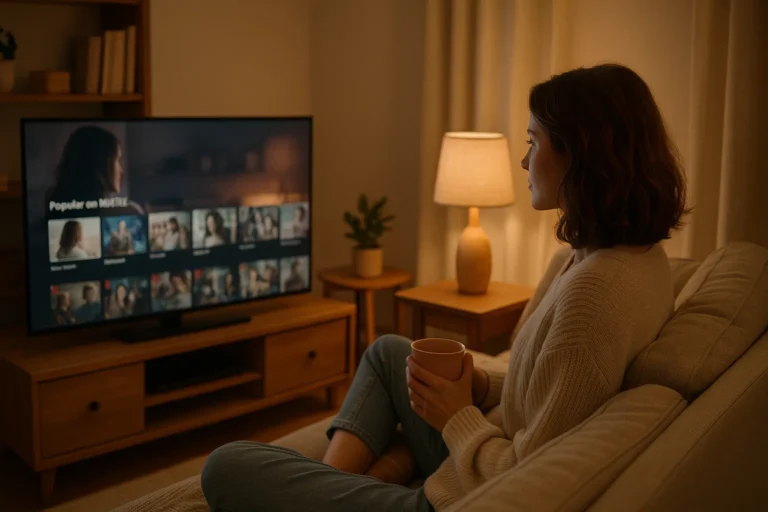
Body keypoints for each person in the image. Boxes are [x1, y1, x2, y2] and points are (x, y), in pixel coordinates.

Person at [200, 63, 689, 512]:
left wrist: (457, 415)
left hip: (463, 497)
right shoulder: (627, 258)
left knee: (224, 465)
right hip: (479, 454)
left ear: (580, 157)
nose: (523, 161)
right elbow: (550, 388)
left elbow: (524, 477)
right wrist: (479, 384)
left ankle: (326, 490)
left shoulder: (595, 295)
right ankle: (326, 485)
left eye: (533, 142)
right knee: (389, 351)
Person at [46, 125, 143, 217]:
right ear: (101, 163)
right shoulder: (129, 212)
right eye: (117, 160)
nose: (121, 170)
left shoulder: (57, 209)